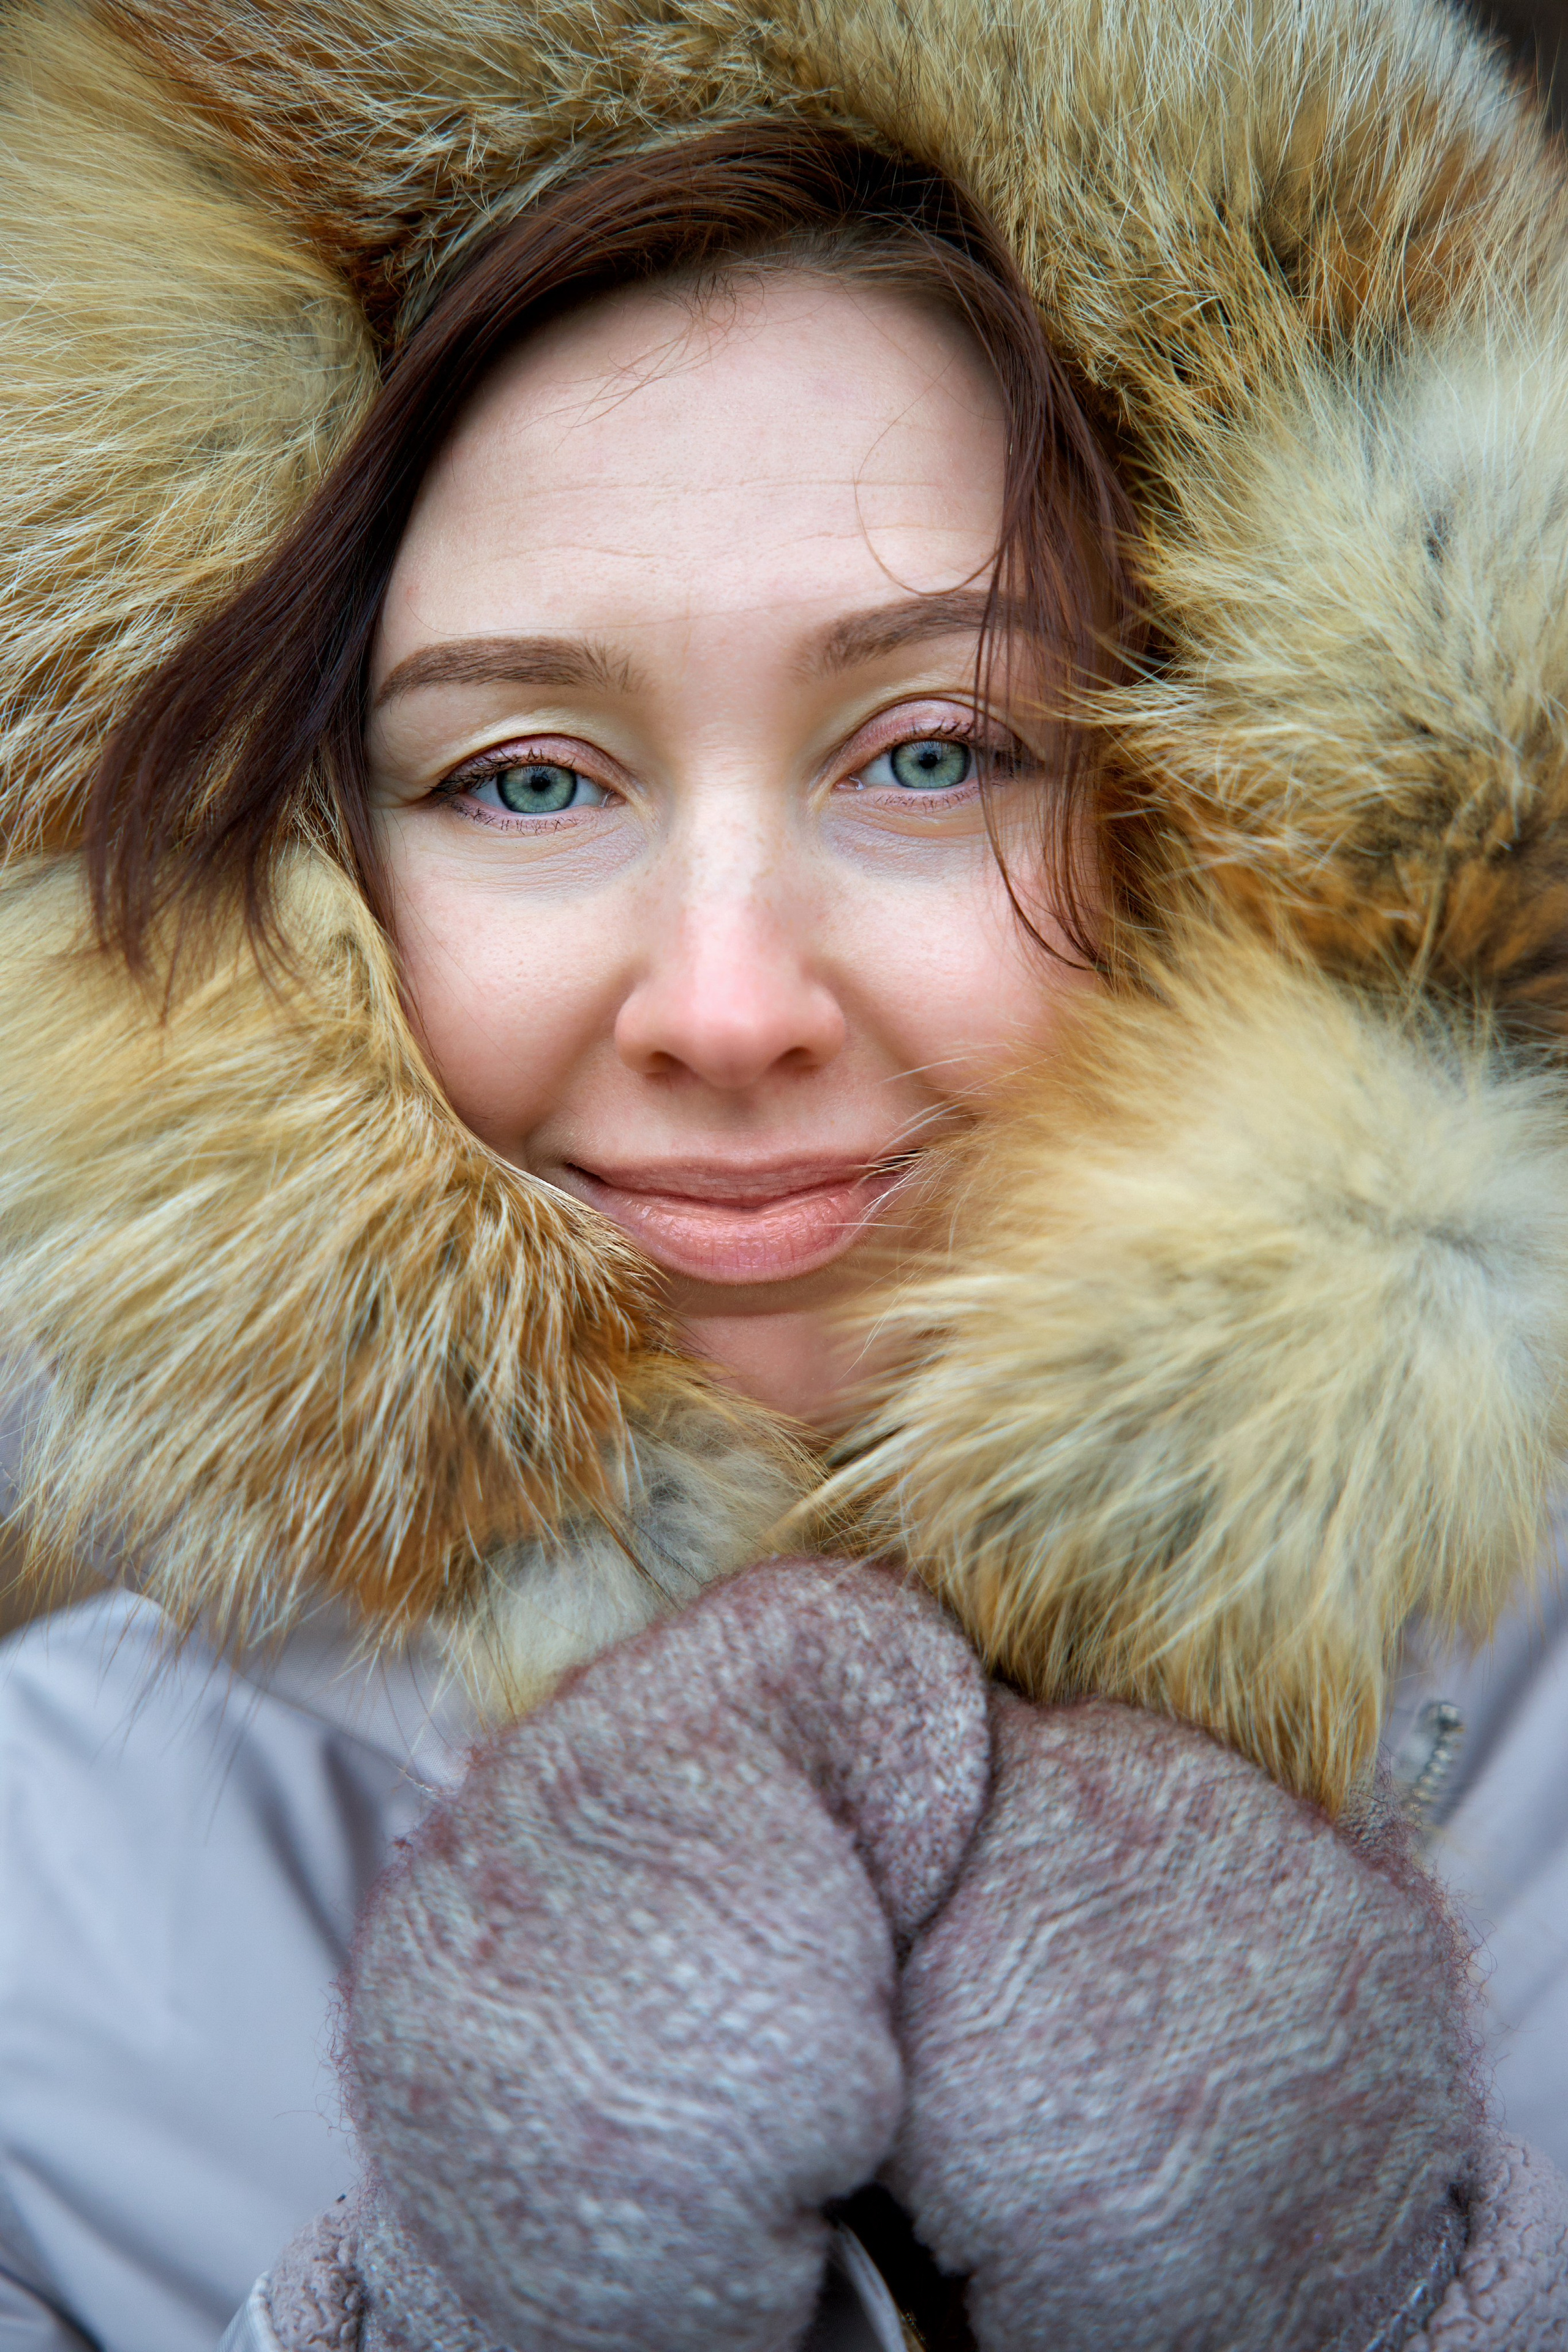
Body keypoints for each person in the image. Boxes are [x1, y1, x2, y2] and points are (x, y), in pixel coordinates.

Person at [2, 0, 1568, 2343]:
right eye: (527, 779)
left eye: (934, 751)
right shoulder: (43, 1905)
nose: (728, 1006)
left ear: (1259, 835)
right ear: (288, 891)